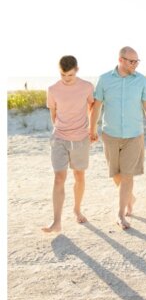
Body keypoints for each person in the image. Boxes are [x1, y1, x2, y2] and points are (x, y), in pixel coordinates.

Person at [90, 46, 146, 231]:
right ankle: (128, 196)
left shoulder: (141, 80)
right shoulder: (104, 79)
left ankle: (120, 214)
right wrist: (92, 128)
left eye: (137, 61)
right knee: (116, 174)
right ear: (120, 60)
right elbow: (96, 106)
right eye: (131, 61)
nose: (135, 64)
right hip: (110, 134)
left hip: (134, 134)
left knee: (127, 175)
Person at [42, 55, 94, 233]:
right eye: (63, 75)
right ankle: (56, 221)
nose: (66, 79)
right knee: (59, 178)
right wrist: (59, 128)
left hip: (81, 138)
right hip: (60, 139)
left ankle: (77, 210)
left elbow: (92, 107)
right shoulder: (53, 89)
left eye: (70, 75)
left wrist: (91, 129)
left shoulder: (87, 86)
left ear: (77, 70)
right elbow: (53, 112)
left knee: (79, 176)